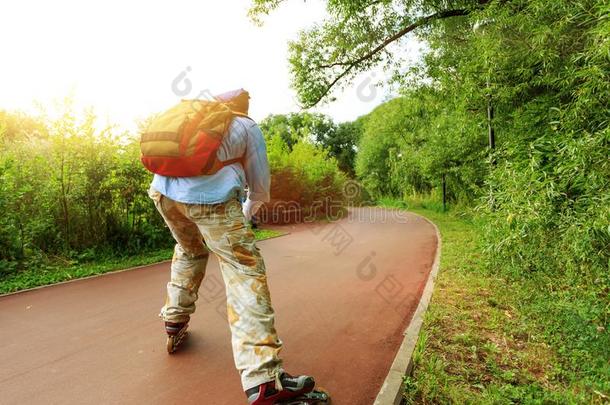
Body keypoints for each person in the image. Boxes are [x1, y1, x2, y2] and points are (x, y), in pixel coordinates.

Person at [147, 89, 315, 404]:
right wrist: (246, 215)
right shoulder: (247, 126)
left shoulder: (196, 117)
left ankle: (174, 320)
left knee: (190, 250)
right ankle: (263, 379)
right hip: (210, 202)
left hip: (162, 195)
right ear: (244, 108)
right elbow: (260, 188)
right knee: (243, 268)